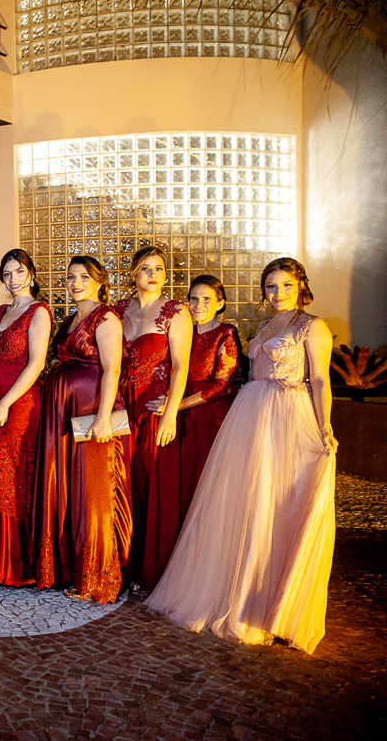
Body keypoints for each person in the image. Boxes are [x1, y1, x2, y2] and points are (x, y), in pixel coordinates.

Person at [145, 258, 336, 654]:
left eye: (286, 285)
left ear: (301, 286)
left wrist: (324, 427)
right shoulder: (263, 326)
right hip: (249, 414)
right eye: (271, 286)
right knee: (245, 502)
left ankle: (275, 606)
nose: (278, 293)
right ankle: (235, 592)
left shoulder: (313, 326)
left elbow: (319, 379)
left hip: (289, 414)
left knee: (280, 504)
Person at [31, 255, 132, 604]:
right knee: (69, 488)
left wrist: (104, 417)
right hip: (63, 413)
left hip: (91, 410)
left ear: (99, 282)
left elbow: (112, 369)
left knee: (92, 491)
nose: (75, 283)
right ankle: (66, 568)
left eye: (84, 277)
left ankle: (96, 576)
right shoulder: (70, 319)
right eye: (71, 277)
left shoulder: (106, 317)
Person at [0, 249, 52, 586]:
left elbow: (36, 363)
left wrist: (4, 404)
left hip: (21, 404)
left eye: (19, 272)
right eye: (7, 273)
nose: (13, 279)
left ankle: (9, 563)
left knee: (9, 475)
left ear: (31, 274)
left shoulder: (38, 312)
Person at [115, 247, 191, 590]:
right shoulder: (118, 309)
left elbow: (180, 366)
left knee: (149, 484)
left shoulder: (176, 311)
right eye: (146, 268)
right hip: (120, 406)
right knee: (120, 484)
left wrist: (171, 413)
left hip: (153, 409)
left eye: (159, 269)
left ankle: (150, 570)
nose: (153, 275)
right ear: (134, 273)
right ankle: (121, 564)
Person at [153, 275, 243, 518]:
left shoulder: (226, 332)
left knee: (206, 480)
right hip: (181, 416)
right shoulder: (184, 332)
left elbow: (222, 385)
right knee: (181, 480)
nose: (198, 305)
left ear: (220, 303)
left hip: (210, 417)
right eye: (194, 299)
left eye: (206, 299)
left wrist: (178, 405)